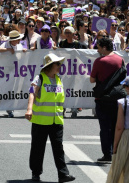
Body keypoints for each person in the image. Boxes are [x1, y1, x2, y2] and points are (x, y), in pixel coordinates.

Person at [25, 54, 75, 183]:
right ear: (50, 65)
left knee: (58, 148)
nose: (60, 66)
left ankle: (63, 174)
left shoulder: (59, 79)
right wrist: (29, 109)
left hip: (56, 120)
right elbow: (32, 93)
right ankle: (36, 173)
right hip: (40, 120)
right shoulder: (40, 78)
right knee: (37, 148)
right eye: (57, 64)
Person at [90, 37, 124, 163]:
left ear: (104, 47)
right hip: (118, 97)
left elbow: (92, 80)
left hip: (103, 97)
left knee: (105, 128)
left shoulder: (100, 61)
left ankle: (107, 154)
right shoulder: (120, 59)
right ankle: (117, 152)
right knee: (117, 126)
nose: (97, 50)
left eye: (98, 47)